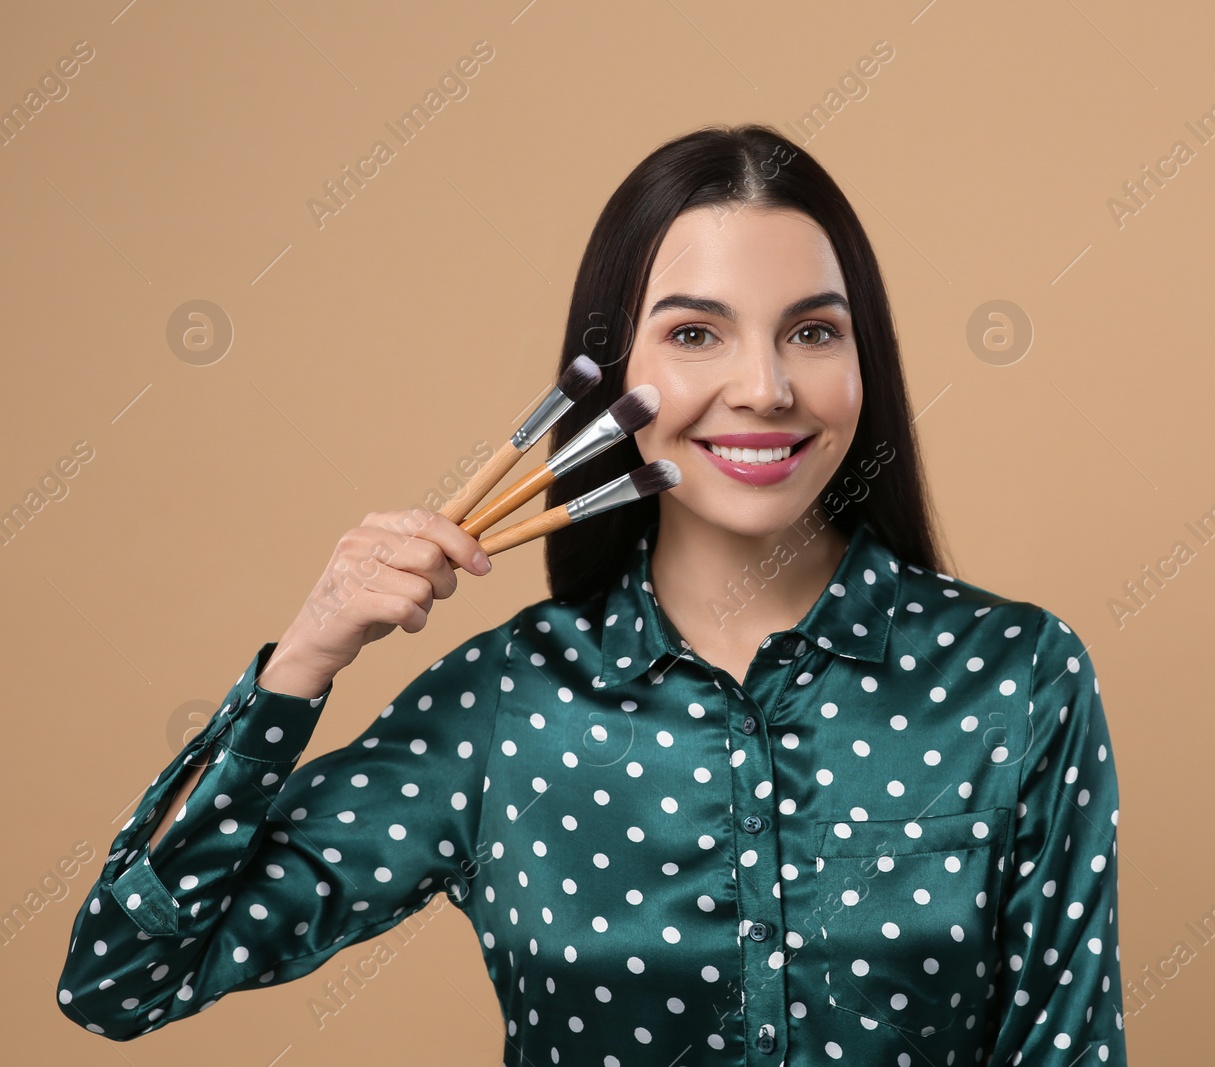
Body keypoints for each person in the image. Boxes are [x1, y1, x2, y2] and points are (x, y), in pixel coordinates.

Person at [56, 123, 1127, 1064]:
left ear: (866, 360)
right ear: (611, 375)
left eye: (812, 329)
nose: (764, 386)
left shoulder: (1015, 676)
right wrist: (300, 662)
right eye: (695, 332)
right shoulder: (505, 704)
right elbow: (122, 975)